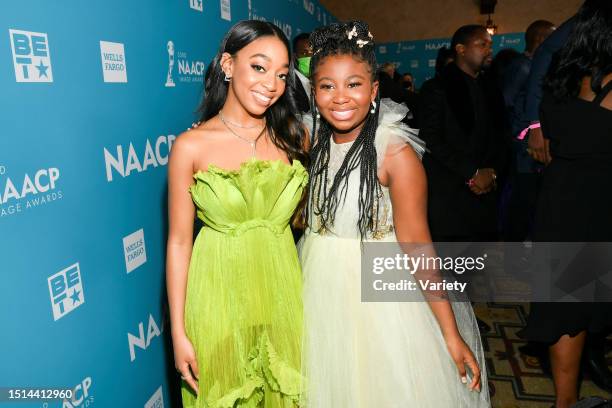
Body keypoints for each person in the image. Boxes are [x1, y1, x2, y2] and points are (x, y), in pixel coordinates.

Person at [299, 21, 489, 407]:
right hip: (316, 283)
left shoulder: (393, 152)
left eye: (353, 84)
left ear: (373, 90)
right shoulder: (310, 139)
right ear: (313, 92)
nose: (340, 97)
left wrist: (451, 336)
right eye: (327, 86)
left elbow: (418, 246)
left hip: (382, 300)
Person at [166, 20, 308, 407]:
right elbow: (179, 243)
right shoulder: (190, 146)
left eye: (281, 73)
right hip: (216, 299)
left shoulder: (293, 140)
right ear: (228, 65)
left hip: (283, 295)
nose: (271, 84)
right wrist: (178, 332)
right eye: (259, 67)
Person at [517, 2, 612, 406]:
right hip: (600, 204)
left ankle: (564, 402)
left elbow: (553, 136)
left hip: (560, 201)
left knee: (566, 311)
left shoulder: (562, 77)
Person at [418, 25, 508, 243]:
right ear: (461, 49)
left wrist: (492, 173)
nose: (489, 50)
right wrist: (471, 172)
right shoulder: (436, 89)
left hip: (485, 193)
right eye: (482, 44)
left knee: (477, 265)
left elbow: (501, 137)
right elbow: (429, 138)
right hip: (450, 195)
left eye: (491, 45)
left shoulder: (492, 89)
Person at [500, 20, 555, 242]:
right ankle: (513, 257)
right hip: (525, 147)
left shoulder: (536, 66)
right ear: (540, 40)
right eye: (553, 37)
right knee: (524, 199)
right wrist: (523, 135)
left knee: (533, 200)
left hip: (535, 144)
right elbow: (506, 102)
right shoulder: (523, 66)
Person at [292, 32, 312, 113]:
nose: (310, 57)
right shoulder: (290, 85)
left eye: (313, 52)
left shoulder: (320, 82)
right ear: (295, 56)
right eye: (304, 53)